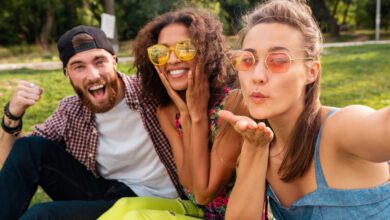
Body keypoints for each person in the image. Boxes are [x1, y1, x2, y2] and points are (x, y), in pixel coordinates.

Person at [220, 0, 390, 219]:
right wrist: (255, 149)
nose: (257, 76)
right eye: (248, 60)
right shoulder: (259, 141)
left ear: (311, 71)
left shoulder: (340, 128)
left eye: (278, 60)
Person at [0, 25, 185, 220]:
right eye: (79, 67)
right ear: (67, 74)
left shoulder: (150, 90)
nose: (93, 75)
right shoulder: (70, 111)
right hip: (109, 194)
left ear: (114, 62)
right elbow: (14, 168)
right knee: (29, 147)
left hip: (158, 202)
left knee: (41, 216)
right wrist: (12, 116)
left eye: (99, 62)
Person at [100, 8, 247, 220]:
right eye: (161, 51)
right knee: (122, 207)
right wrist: (186, 117)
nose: (172, 60)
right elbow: (189, 184)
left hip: (231, 216)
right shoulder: (168, 111)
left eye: (185, 48)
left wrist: (197, 118)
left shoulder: (233, 105)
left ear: (206, 52)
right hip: (198, 211)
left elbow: (205, 192)